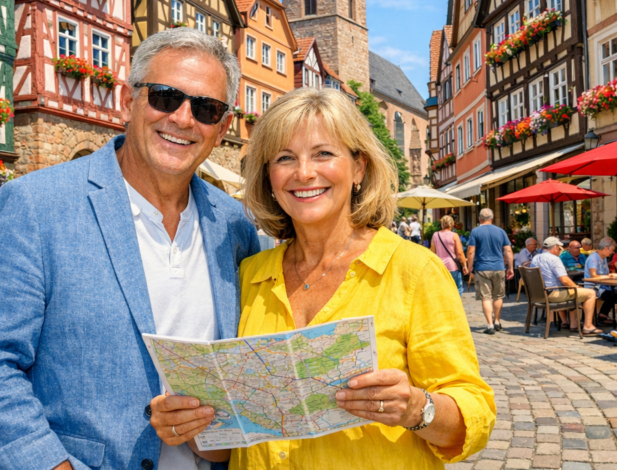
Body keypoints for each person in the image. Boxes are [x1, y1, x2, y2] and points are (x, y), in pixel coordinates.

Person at [0, 29, 260, 470]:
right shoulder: (36, 205)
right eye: (166, 97)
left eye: (206, 108)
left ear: (222, 128)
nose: (183, 118)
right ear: (129, 101)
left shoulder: (233, 225)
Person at [150, 87, 494, 468]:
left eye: (323, 154)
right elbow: (232, 444)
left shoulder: (414, 271)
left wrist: (416, 408)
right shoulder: (249, 274)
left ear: (359, 167)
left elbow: (473, 416)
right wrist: (190, 425)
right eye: (285, 158)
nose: (304, 173)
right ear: (269, 177)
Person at [530, 237, 599, 334]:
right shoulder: (554, 259)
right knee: (591, 293)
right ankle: (588, 326)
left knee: (572, 291)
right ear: (555, 247)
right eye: (559, 248)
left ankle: (572, 324)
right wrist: (577, 287)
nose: (560, 251)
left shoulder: (535, 258)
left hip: (539, 295)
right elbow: (565, 280)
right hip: (553, 294)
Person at [466, 209, 514, 334]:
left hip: (482, 268)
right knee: (498, 296)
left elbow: (471, 251)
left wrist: (469, 267)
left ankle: (490, 325)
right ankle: (497, 321)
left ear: (480, 219)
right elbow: (508, 251)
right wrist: (511, 267)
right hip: (499, 267)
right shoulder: (501, 231)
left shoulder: (475, 231)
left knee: (486, 297)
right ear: (492, 218)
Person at [584, 237, 617, 326]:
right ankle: (602, 317)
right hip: (594, 287)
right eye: (612, 250)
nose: (613, 252)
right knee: (612, 293)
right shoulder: (593, 258)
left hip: (602, 285)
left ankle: (603, 315)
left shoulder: (603, 257)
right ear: (606, 248)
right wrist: (609, 276)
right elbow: (593, 275)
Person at [432, 215, 467, 295]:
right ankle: (456, 303)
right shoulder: (454, 235)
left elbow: (432, 252)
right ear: (452, 224)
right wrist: (464, 265)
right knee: (457, 287)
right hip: (453, 266)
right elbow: (460, 253)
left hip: (440, 266)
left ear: (442, 224)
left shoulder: (435, 235)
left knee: (442, 289)